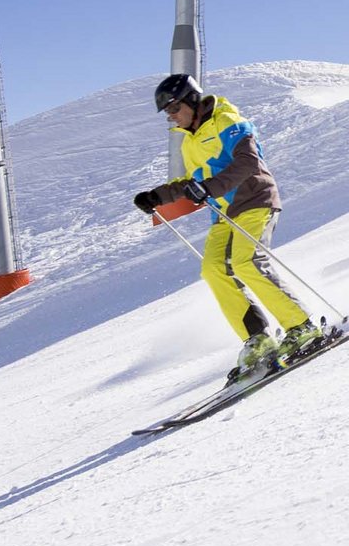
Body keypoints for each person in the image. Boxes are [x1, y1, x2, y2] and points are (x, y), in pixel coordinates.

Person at [133, 73, 321, 381]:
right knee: (213, 269)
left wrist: (208, 188)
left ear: (192, 101)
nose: (172, 117)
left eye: (174, 109)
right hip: (223, 213)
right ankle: (258, 338)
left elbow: (247, 162)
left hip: (255, 200)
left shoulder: (228, 120)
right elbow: (194, 184)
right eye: (167, 113)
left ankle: (301, 326)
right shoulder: (189, 142)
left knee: (246, 262)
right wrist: (158, 197)